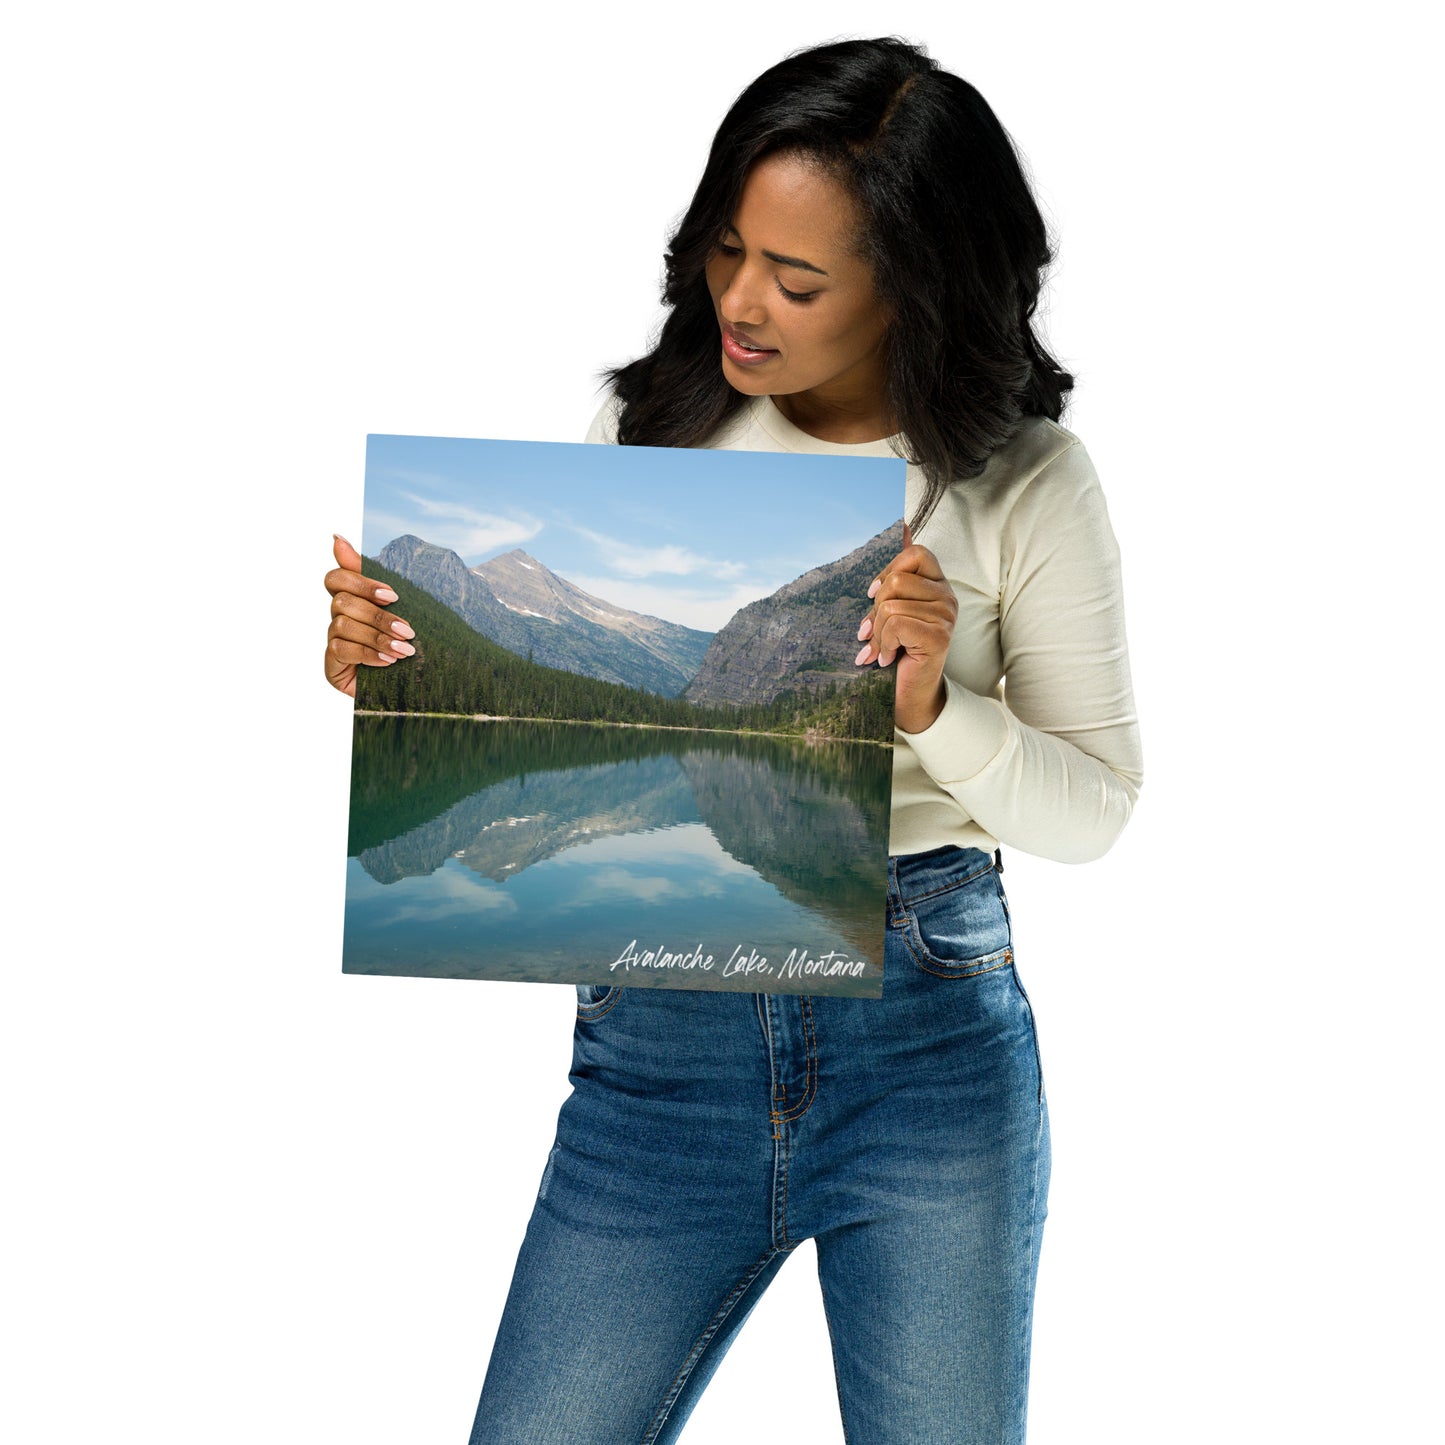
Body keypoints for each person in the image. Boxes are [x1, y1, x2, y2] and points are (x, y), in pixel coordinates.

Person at [325, 36, 1142, 1444]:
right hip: (657, 1066)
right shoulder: (650, 427)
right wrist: (381, 672)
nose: (740, 302)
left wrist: (933, 709)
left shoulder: (1023, 479)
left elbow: (1093, 812)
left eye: (798, 277)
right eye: (724, 251)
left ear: (914, 286)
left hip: (928, 1049)